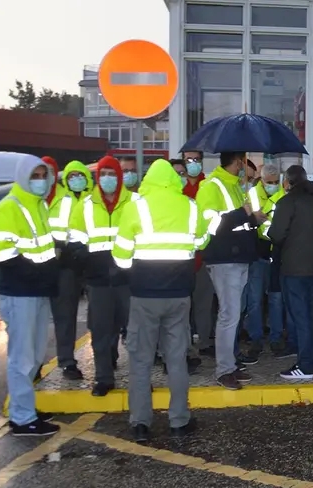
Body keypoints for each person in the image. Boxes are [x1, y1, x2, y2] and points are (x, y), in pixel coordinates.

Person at [112, 159, 208, 442]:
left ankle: (141, 423)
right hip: (179, 295)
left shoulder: (136, 207)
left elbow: (121, 257)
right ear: (173, 180)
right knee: (176, 358)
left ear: (148, 179)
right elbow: (201, 241)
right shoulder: (189, 206)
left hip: (144, 296)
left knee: (141, 360)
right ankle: (179, 421)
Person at [0, 152, 60, 436]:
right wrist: (43, 273)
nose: (41, 181)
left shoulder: (38, 205)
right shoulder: (10, 207)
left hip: (37, 291)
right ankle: (21, 419)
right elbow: (5, 255)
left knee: (35, 355)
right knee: (22, 358)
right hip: (20, 293)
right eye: (35, 176)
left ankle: (25, 408)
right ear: (23, 177)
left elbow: (44, 250)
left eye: (44, 176)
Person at [196, 152, 263, 390]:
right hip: (225, 258)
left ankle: (231, 365)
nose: (246, 168)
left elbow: (241, 223)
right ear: (237, 162)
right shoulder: (211, 186)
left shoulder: (237, 186)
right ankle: (224, 370)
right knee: (229, 314)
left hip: (240, 257)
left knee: (234, 313)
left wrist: (254, 219)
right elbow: (210, 225)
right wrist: (241, 213)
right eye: (244, 163)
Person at [67, 156, 133, 397]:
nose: (107, 178)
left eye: (112, 173)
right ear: (97, 177)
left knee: (135, 332)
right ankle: (104, 378)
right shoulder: (84, 205)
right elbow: (75, 241)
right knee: (102, 331)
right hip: (98, 280)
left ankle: (139, 377)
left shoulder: (134, 202)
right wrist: (89, 262)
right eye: (103, 173)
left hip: (128, 279)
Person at [269, 165, 313, 379]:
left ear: (288, 182)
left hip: (294, 268)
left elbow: (276, 234)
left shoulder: (287, 202)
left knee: (301, 317)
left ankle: (305, 366)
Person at [240, 164, 287, 363]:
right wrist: (255, 218)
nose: (273, 186)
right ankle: (256, 339)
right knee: (255, 299)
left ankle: (276, 338)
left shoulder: (283, 195)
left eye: (276, 182)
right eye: (270, 183)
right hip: (257, 251)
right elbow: (246, 221)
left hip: (277, 252)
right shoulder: (250, 194)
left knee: (276, 298)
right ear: (261, 179)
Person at [42, 157, 84, 381]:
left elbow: (75, 231)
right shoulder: (30, 201)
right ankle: (36, 362)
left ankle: (67, 361)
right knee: (35, 320)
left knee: (65, 316)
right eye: (41, 173)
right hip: (35, 268)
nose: (45, 178)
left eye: (49, 172)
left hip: (63, 265)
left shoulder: (68, 200)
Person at [181, 151, 215, 358]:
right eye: (188, 160)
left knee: (204, 302)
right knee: (182, 306)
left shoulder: (208, 185)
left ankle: (204, 341)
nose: (193, 164)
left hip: (204, 252)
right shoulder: (177, 187)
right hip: (181, 256)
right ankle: (184, 346)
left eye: (196, 160)